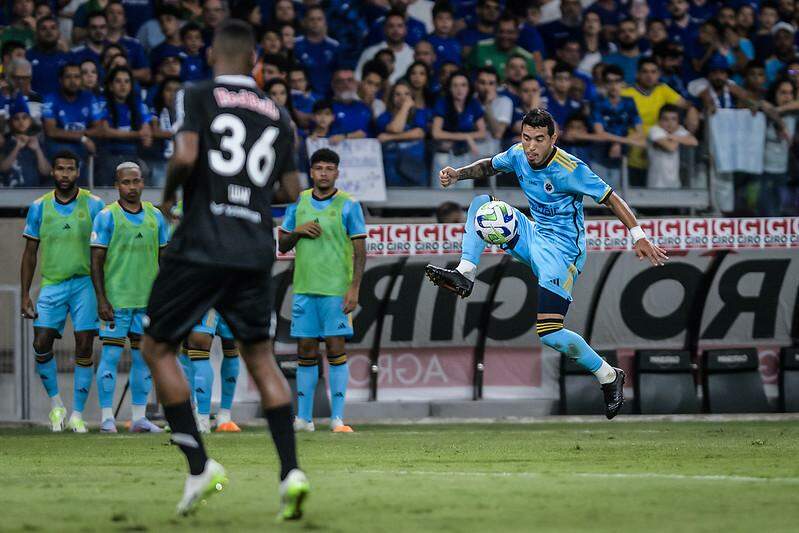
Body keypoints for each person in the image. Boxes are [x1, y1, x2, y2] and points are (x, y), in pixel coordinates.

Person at [139, 19, 308, 519]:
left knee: (157, 346)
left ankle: (199, 466)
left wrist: (169, 197)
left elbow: (187, 154)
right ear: (255, 58)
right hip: (254, 246)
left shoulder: (196, 93)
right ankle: (291, 472)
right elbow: (294, 192)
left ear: (214, 54)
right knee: (261, 356)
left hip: (200, 244)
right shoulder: (279, 114)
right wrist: (250, 195)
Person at [424, 108, 668, 419]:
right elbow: (489, 165)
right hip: (533, 234)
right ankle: (465, 274)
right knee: (482, 205)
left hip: (563, 253)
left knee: (549, 331)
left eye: (539, 139)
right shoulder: (518, 154)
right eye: (526, 138)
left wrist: (638, 235)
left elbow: (610, 197)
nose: (531, 147)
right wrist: (459, 173)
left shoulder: (571, 168)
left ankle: (608, 375)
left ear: (553, 138)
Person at [278, 148, 366, 433]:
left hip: (335, 290)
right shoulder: (299, 202)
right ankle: (304, 419)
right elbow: (282, 245)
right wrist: (298, 231)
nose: (324, 173)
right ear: (311, 172)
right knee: (305, 350)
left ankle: (337, 418)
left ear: (337, 173)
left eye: (329, 168)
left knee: (336, 348)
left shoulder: (349, 205)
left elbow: (360, 250)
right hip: (304, 289)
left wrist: (354, 288)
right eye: (319, 168)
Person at [20, 150, 105, 433]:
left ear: (77, 172)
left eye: (70, 169)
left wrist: (106, 292)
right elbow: (30, 253)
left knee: (84, 346)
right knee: (41, 342)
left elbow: (104, 251)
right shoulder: (39, 207)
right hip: (52, 284)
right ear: (52, 172)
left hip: (84, 285)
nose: (65, 174)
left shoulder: (94, 204)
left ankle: (78, 414)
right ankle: (57, 406)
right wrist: (24, 294)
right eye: (60, 169)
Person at [89, 162, 167, 433]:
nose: (131, 187)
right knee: (110, 356)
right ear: (116, 185)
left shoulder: (156, 216)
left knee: (143, 358)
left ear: (143, 183)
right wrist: (101, 299)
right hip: (117, 301)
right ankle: (107, 417)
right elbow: (95, 262)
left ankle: (139, 418)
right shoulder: (106, 217)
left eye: (136, 182)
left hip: (147, 302)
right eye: (126, 182)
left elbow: (164, 260)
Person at [95, 66, 154, 185]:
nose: (123, 85)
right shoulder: (103, 104)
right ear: (111, 86)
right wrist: (136, 134)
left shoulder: (138, 107)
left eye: (127, 81)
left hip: (132, 156)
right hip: (109, 157)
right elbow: (106, 131)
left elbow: (146, 134)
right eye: (118, 81)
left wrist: (145, 136)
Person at [42, 63, 102, 177]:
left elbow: (99, 129)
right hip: (58, 145)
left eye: (77, 77)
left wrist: (79, 137)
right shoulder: (50, 98)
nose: (73, 81)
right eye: (68, 77)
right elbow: (51, 131)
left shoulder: (89, 97)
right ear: (60, 80)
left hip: (82, 146)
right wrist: (82, 137)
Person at [431, 70, 488, 186]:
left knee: (465, 194)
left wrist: (465, 137)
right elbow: (436, 133)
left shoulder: (473, 104)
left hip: (465, 156)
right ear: (450, 88)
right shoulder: (443, 103)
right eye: (455, 85)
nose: (459, 89)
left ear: (469, 88)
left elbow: (482, 133)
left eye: (463, 85)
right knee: (443, 193)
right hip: (444, 155)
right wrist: (466, 137)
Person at [376, 79, 430, 186]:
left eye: (406, 94)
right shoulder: (384, 117)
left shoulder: (419, 114)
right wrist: (405, 108)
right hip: (391, 171)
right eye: (397, 94)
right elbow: (396, 128)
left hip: (416, 169)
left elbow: (418, 133)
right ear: (392, 98)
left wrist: (389, 137)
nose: (403, 97)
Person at [1, 94, 50, 186]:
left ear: (30, 120)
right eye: (16, 119)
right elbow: (3, 168)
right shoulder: (7, 142)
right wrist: (17, 148)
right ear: (11, 122)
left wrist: (37, 149)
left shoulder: (37, 142)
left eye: (24, 118)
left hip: (33, 192)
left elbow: (46, 172)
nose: (21, 122)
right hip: (10, 193)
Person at [646, 104, 698, 188]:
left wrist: (672, 137)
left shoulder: (678, 131)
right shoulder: (654, 130)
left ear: (678, 121)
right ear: (659, 121)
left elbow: (694, 141)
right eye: (665, 119)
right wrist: (679, 138)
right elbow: (671, 147)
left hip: (675, 185)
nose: (670, 123)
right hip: (656, 185)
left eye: (673, 119)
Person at [293, 6, 340, 98]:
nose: (315, 22)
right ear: (305, 22)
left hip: (328, 96)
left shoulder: (334, 46)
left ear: (325, 22)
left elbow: (337, 73)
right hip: (301, 95)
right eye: (312, 19)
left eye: (319, 19)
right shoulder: (295, 44)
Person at [356, 10, 414, 84]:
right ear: (384, 29)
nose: (395, 30)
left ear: (406, 29)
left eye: (400, 26)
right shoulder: (370, 52)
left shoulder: (413, 54)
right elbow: (358, 79)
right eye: (391, 26)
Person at [27, 16, 69, 98]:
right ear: (37, 33)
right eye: (43, 28)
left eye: (53, 28)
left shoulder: (68, 57)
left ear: (59, 33)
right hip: (34, 104)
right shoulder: (27, 57)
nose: (49, 31)